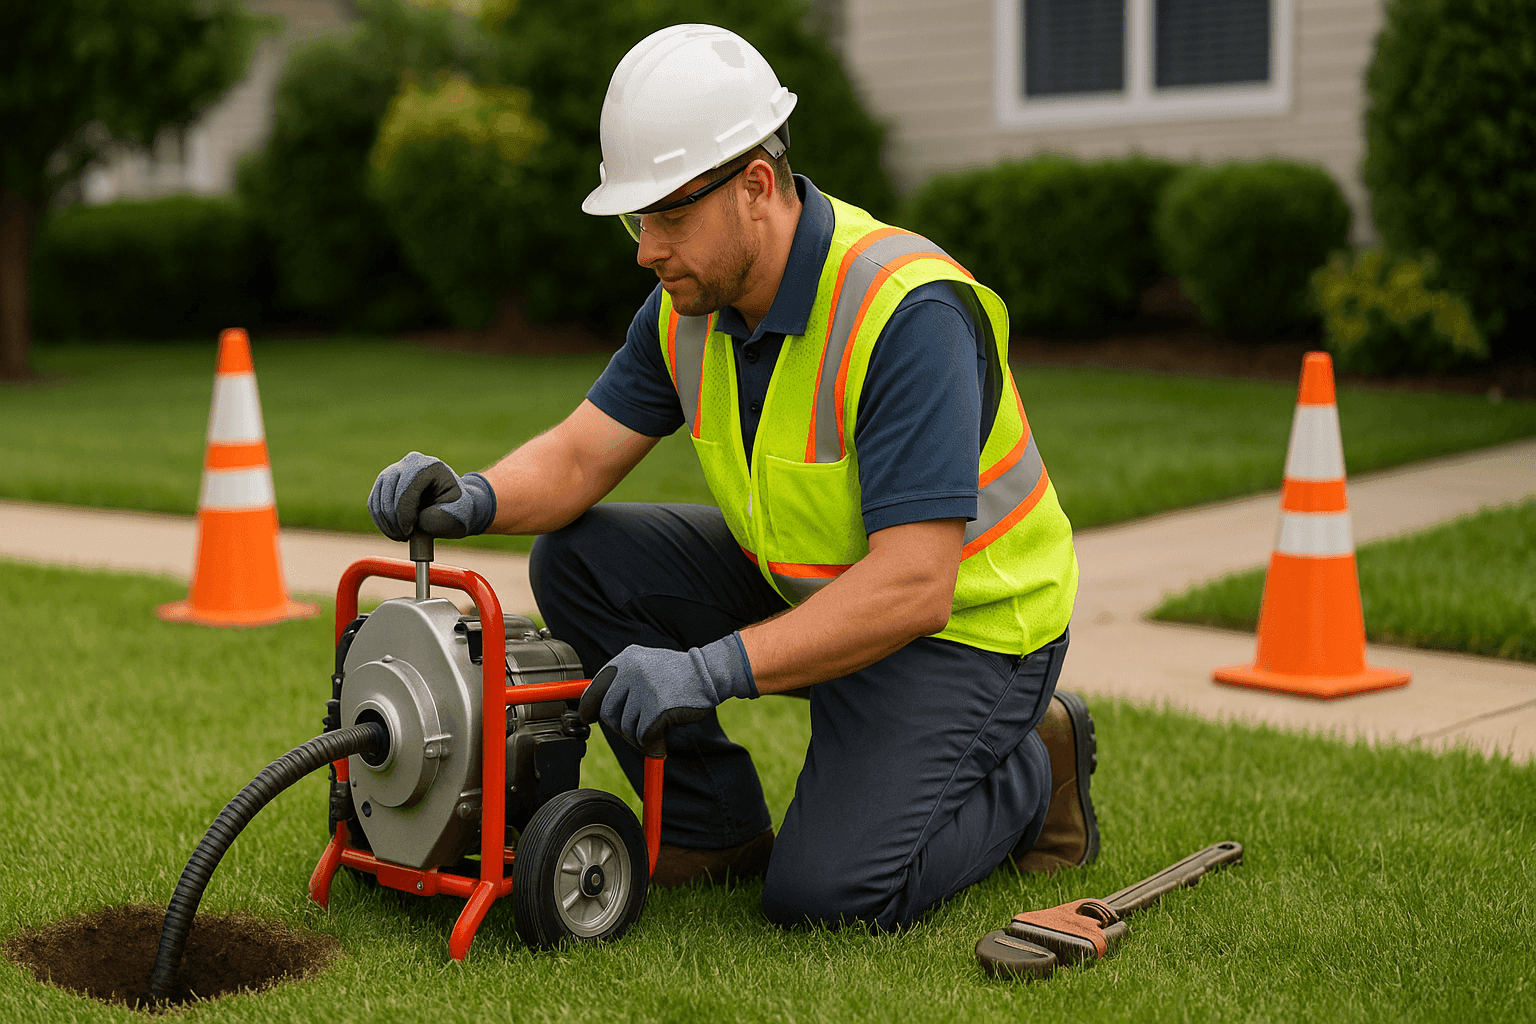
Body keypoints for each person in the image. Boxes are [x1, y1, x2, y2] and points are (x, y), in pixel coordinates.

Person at [368, 23, 1098, 931]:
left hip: (971, 632)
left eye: (668, 216)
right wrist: (468, 495)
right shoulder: (688, 308)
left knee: (826, 897)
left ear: (756, 185)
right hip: (818, 583)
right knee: (581, 557)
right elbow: (580, 456)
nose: (646, 248)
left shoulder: (906, 311)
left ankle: (1033, 766)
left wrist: (713, 669)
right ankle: (712, 826)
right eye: (639, 220)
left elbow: (916, 585)